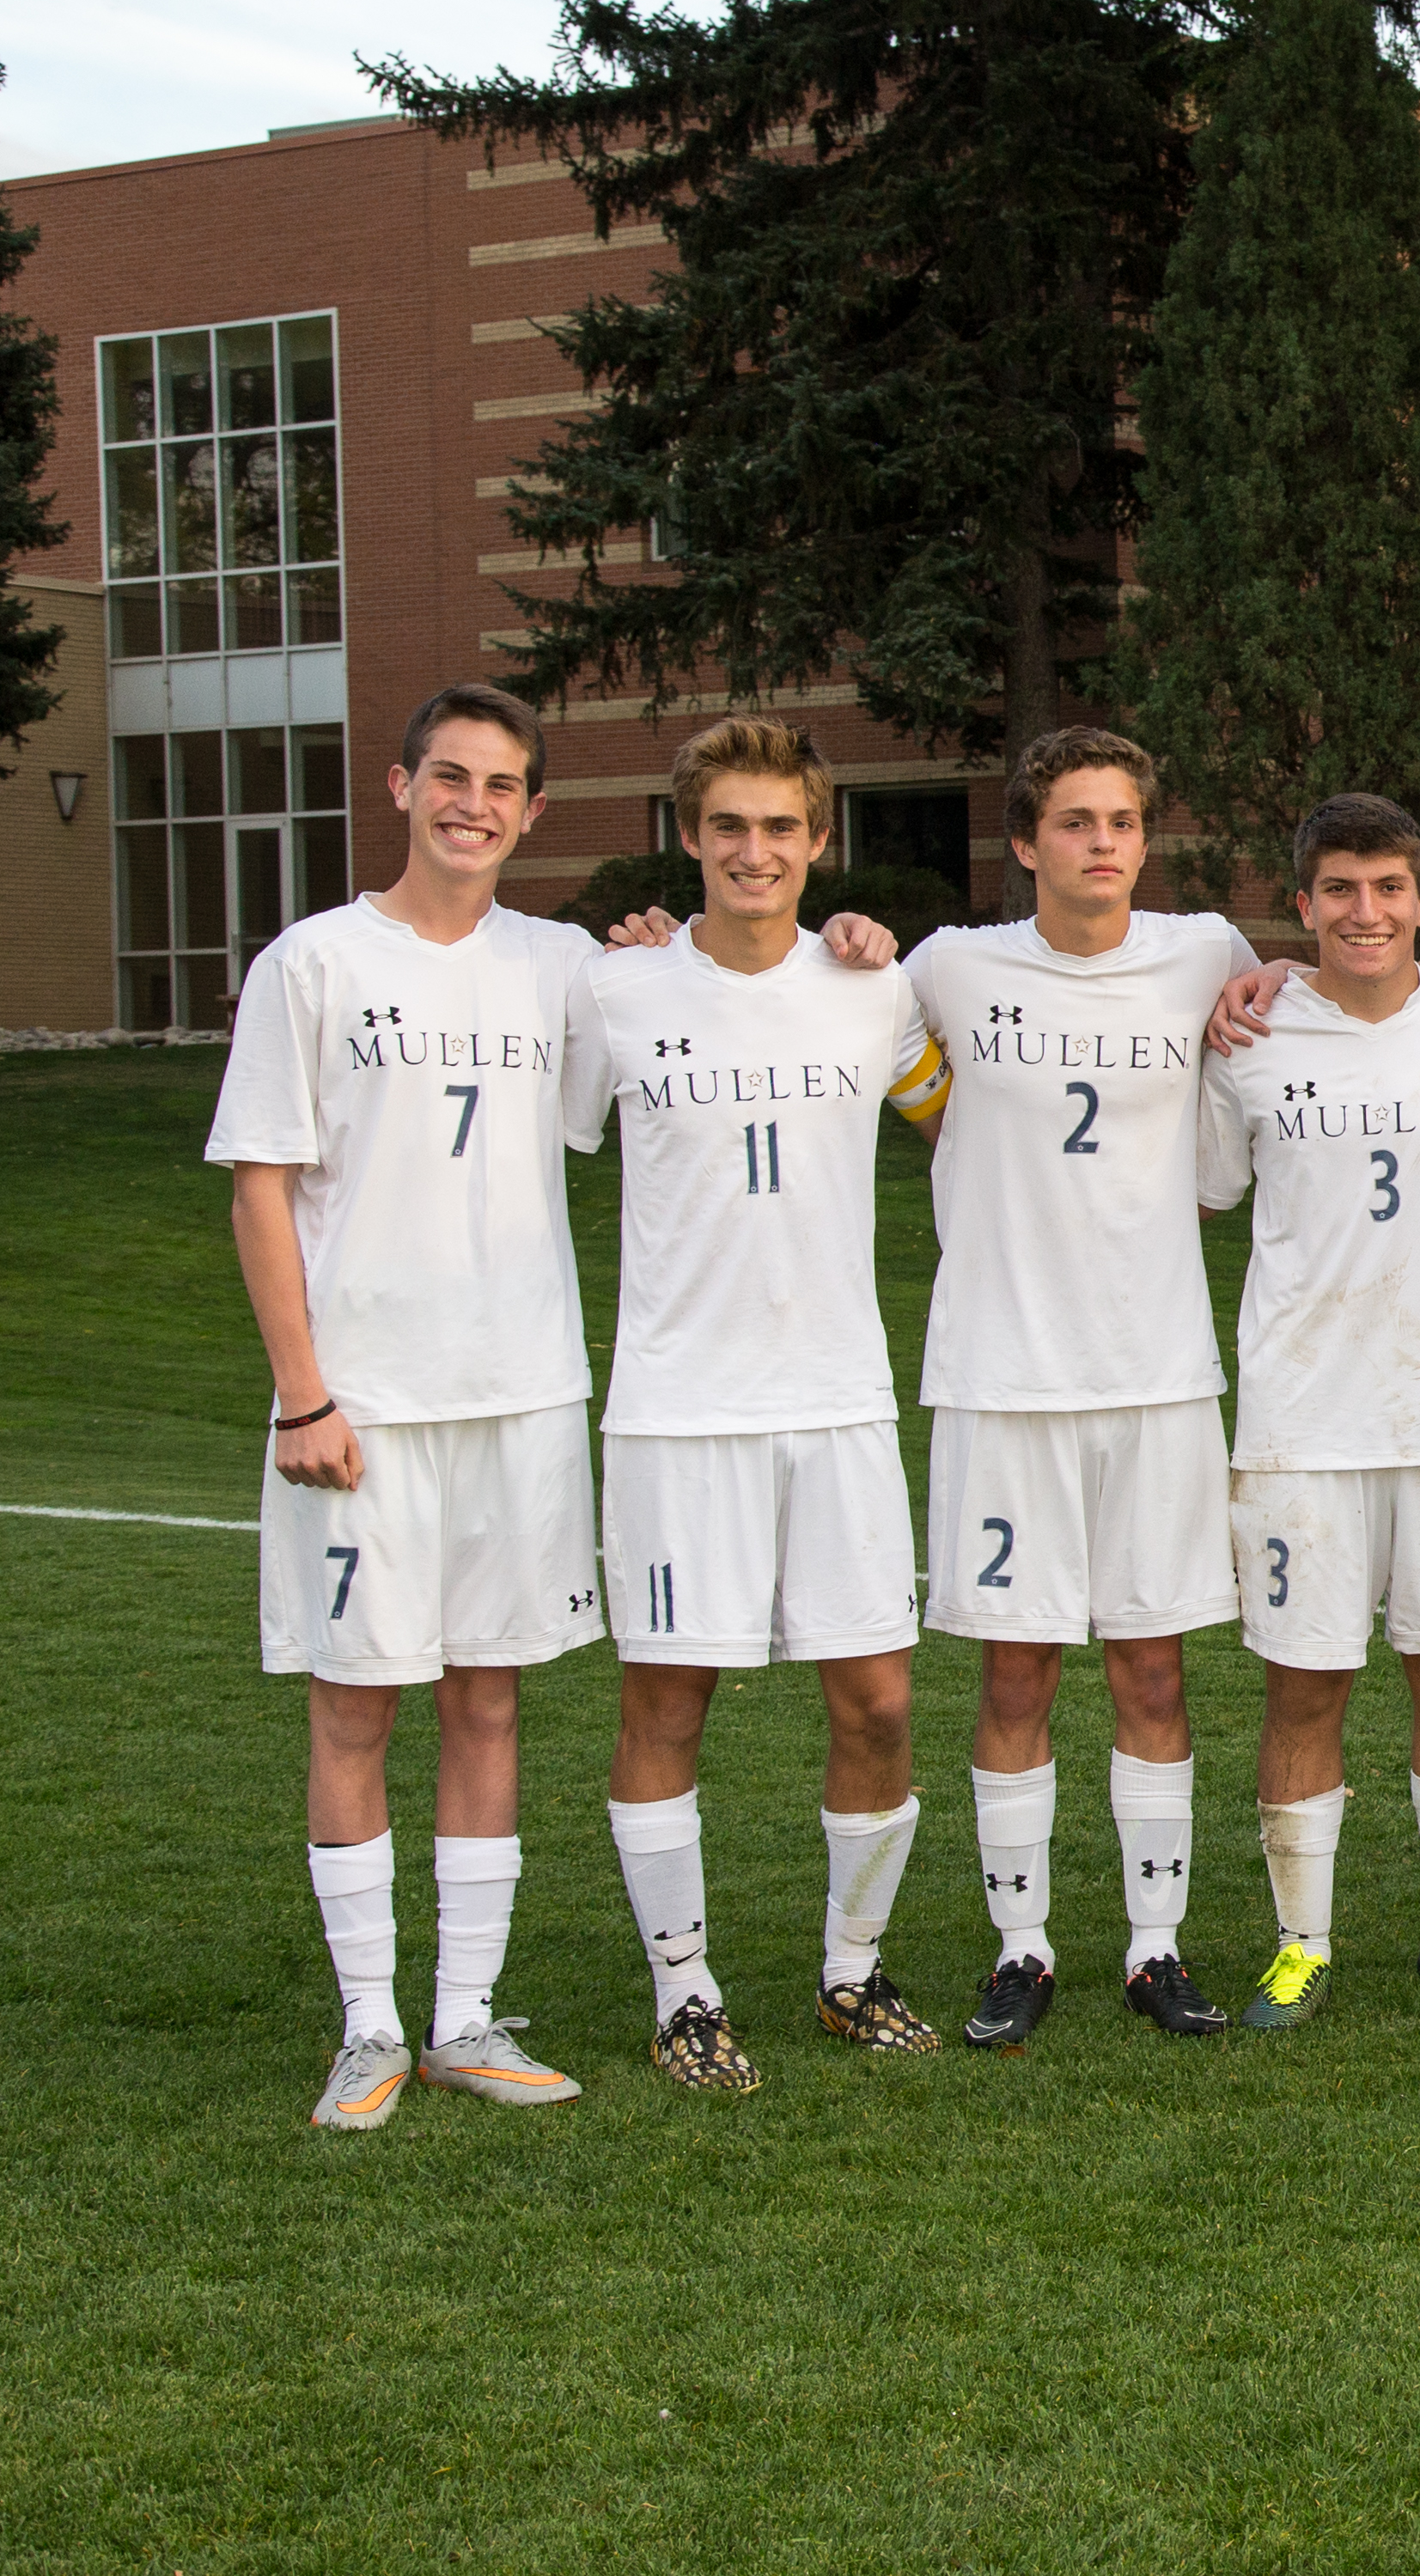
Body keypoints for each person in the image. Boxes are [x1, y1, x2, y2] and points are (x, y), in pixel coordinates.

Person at [213, 680, 606, 2128]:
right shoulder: (310, 965)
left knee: (491, 1694)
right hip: (360, 1410)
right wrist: (302, 1394)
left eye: (501, 785)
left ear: (531, 810)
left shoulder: (560, 966)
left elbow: (708, 1006)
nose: (473, 804)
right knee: (357, 1698)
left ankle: (464, 2018)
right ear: (398, 787)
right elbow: (261, 1182)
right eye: (449, 777)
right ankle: (371, 2025)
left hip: (521, 1399)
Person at [569, 720, 952, 2091]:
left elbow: (975, 1121)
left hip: (839, 1404)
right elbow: (534, 1131)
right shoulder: (613, 993)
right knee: (670, 1700)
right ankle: (686, 1990)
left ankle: (851, 1972)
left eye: (780, 827)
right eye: (728, 826)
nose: (754, 851)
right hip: (677, 1411)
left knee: (881, 1704)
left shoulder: (878, 989)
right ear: (691, 835)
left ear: (817, 838)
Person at [903, 725, 1261, 2050]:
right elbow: (846, 1036)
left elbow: (1315, 993)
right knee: (1015, 1671)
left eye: (1120, 820)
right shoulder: (950, 967)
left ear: (1143, 840)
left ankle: (1154, 1947)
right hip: (1001, 1378)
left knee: (1154, 1670)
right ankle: (1024, 1946)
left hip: (1159, 1376)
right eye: (1073, 820)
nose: (1100, 842)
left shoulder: (1205, 950)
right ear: (1023, 840)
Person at [1200, 794, 1420, 2025]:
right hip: (1300, 1421)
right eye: (1338, 890)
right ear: (1300, 907)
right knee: (1305, 1686)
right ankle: (1303, 1942)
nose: (1365, 912)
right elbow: (1196, 1193)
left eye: (1388, 888)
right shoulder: (1246, 1035)